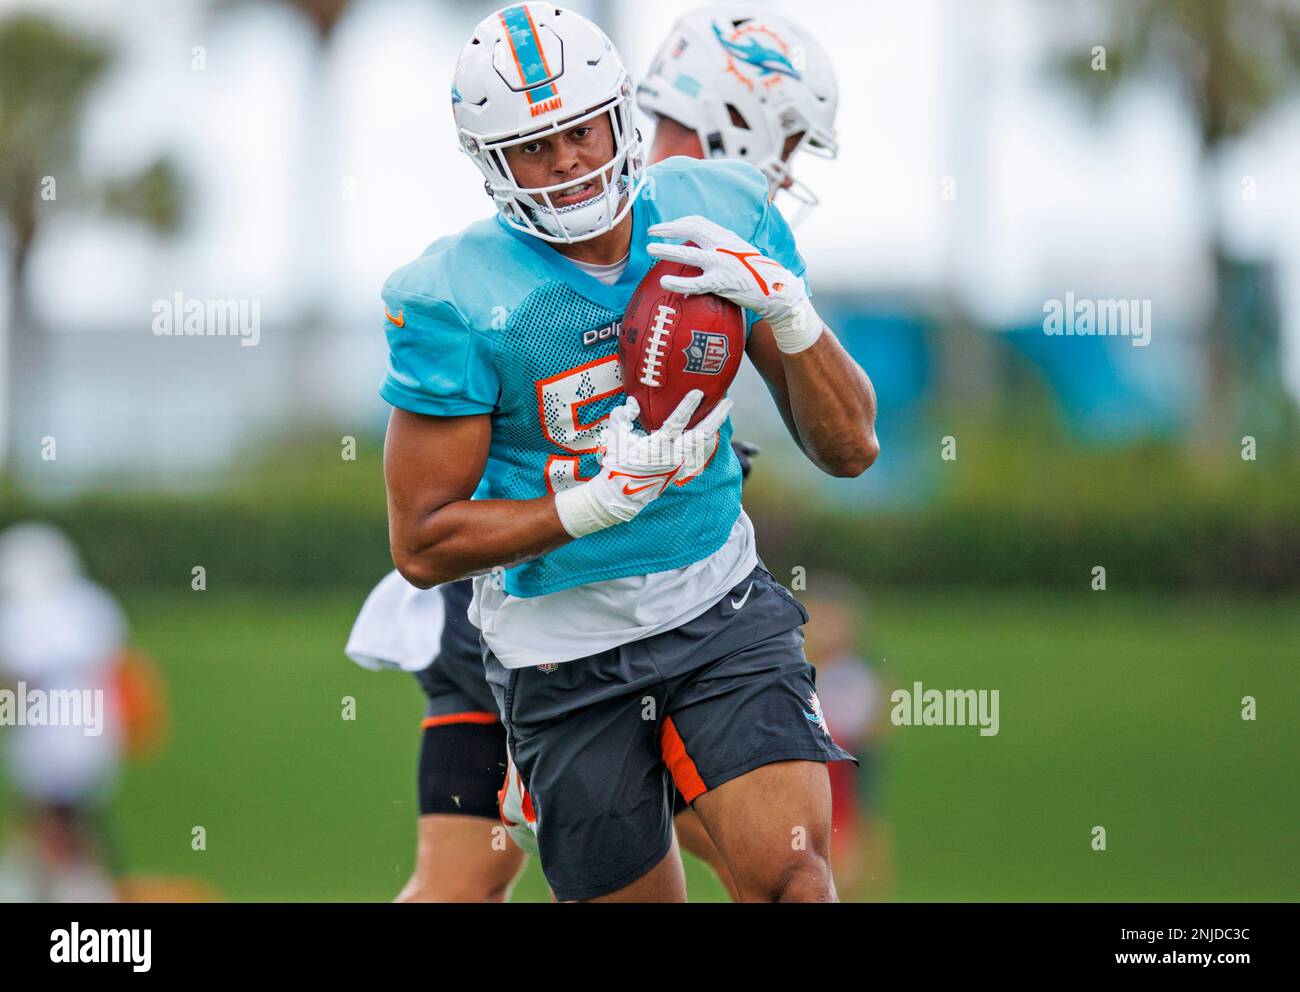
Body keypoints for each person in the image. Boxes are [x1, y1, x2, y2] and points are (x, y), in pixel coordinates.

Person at [380, 3, 878, 903]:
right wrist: (588, 505)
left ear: (619, 113)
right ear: (493, 164)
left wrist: (790, 314)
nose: (568, 159)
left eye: (580, 129)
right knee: (464, 882)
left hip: (717, 604)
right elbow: (420, 544)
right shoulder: (457, 296)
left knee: (796, 881)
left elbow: (851, 450)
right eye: (536, 146)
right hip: (558, 648)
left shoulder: (722, 211)